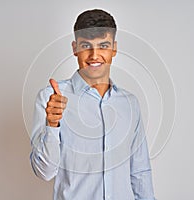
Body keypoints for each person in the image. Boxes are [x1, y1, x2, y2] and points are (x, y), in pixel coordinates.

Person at [30, 9, 156, 200]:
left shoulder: (130, 103)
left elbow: (140, 172)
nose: (94, 55)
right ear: (75, 48)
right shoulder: (51, 98)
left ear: (114, 48)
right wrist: (52, 125)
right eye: (86, 46)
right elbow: (44, 172)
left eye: (103, 45)